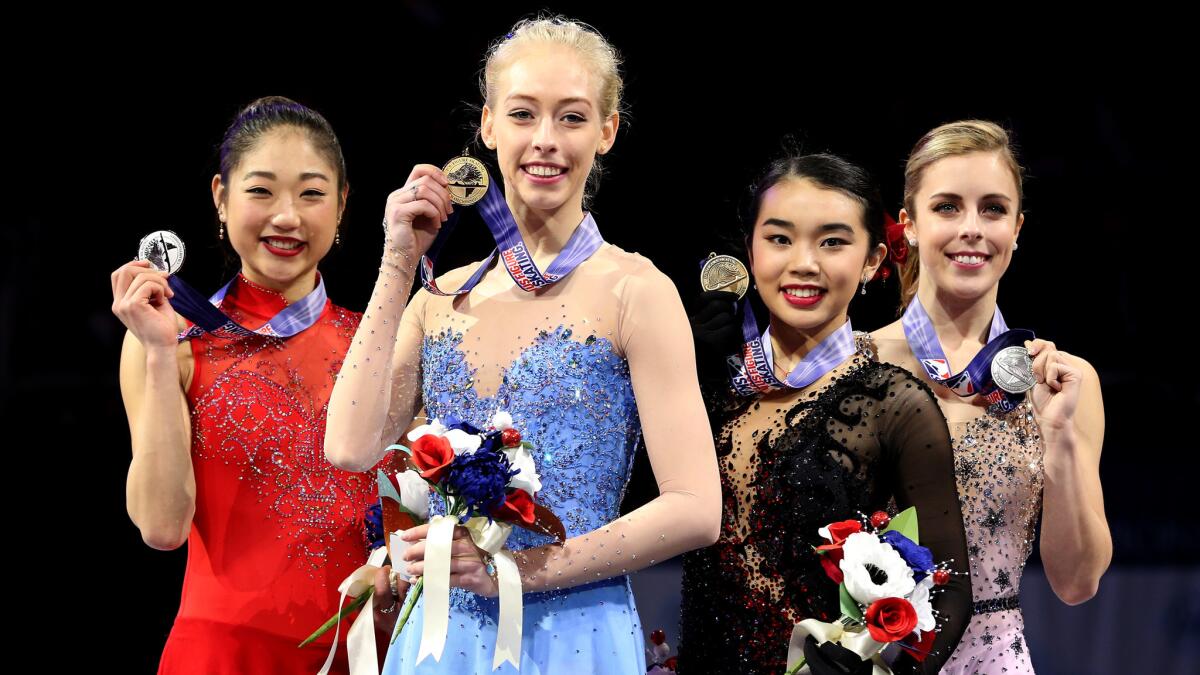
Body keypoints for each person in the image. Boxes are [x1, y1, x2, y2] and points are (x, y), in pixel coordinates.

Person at [324, 16, 721, 674]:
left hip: (579, 634)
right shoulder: (437, 300)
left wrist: (514, 570)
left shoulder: (636, 292)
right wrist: (397, 264)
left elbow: (696, 507)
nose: (545, 140)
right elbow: (348, 446)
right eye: (523, 114)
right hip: (443, 636)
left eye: (571, 117)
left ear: (607, 131)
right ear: (488, 126)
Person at [112, 96, 381, 673]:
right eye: (261, 191)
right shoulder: (171, 338)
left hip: (363, 655)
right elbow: (161, 528)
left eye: (312, 193)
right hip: (222, 657)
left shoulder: (379, 343)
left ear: (342, 206)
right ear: (221, 197)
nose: (287, 216)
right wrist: (160, 355)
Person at [680, 153, 972, 674]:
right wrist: (676, 371)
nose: (804, 263)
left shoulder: (896, 404)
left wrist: (886, 672)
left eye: (832, 241)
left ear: (873, 260)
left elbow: (952, 587)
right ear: (750, 248)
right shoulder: (709, 382)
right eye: (779, 238)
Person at [871, 120, 1110, 673]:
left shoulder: (1062, 384)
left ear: (1018, 228)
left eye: (994, 209)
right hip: (867, 655)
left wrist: (1059, 439)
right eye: (948, 207)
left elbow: (1077, 583)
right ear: (908, 225)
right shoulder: (851, 365)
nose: (972, 228)